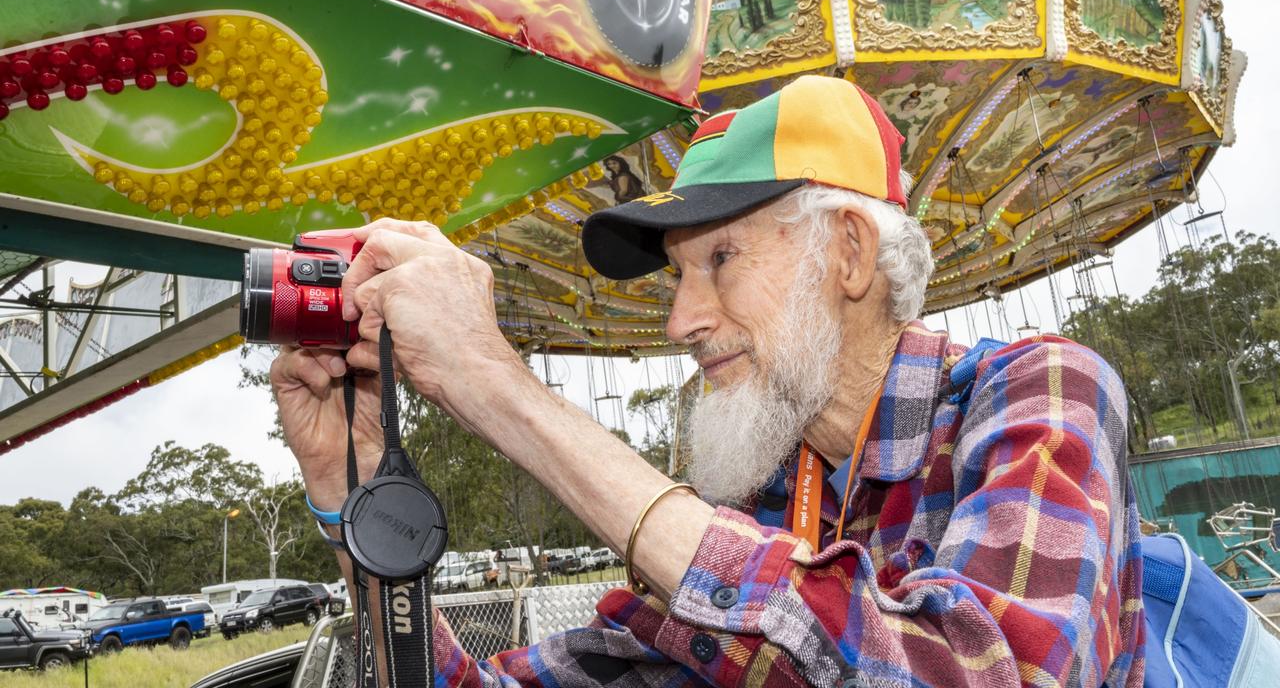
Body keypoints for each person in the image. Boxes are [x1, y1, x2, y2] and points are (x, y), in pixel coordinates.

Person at [271, 75, 1144, 687]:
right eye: (676, 276)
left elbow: (992, 673)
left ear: (848, 252)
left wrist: (499, 386)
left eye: (720, 258)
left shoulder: (1045, 390)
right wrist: (355, 491)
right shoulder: (760, 504)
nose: (679, 321)